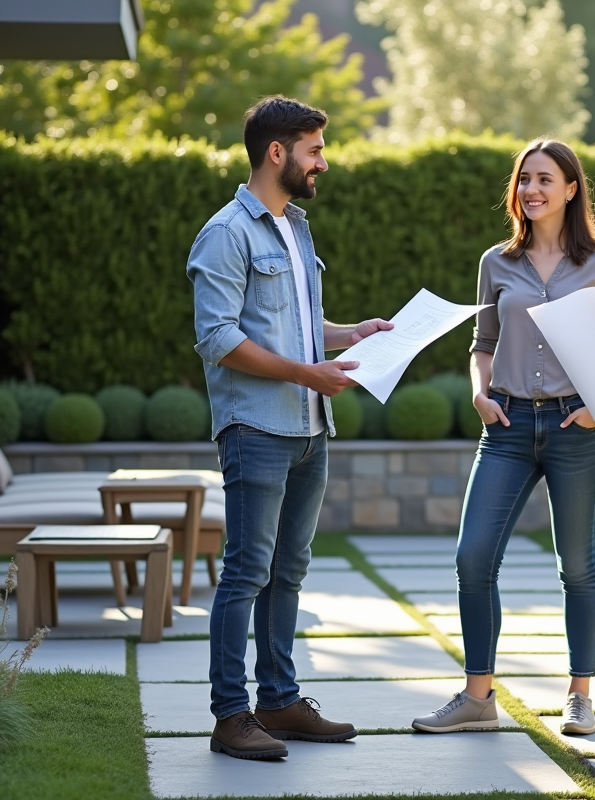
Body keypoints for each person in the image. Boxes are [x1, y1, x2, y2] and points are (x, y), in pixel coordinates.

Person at [188, 95, 392, 760]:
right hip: (256, 429)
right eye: (314, 150)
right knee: (246, 572)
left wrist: (350, 333)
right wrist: (306, 373)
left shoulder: (294, 227)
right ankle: (230, 716)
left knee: (288, 572)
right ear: (276, 153)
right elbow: (218, 339)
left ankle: (278, 700)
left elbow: (297, 325)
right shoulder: (226, 234)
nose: (323, 163)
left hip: (309, 430)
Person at [411, 140, 595, 737]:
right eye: (524, 179)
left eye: (545, 179)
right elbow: (482, 343)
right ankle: (478, 697)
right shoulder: (496, 262)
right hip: (505, 425)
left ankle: (580, 695)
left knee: (576, 564)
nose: (531, 189)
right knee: (473, 557)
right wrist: (480, 393)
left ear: (571, 189)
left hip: (575, 428)